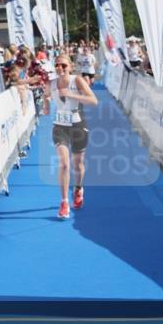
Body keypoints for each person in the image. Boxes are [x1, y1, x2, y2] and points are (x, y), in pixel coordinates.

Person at [50, 55, 98, 220]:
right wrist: (45, 103)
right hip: (60, 127)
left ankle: (78, 188)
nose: (60, 68)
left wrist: (72, 95)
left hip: (78, 126)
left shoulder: (77, 80)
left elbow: (93, 100)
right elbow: (46, 98)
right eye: (57, 65)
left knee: (78, 165)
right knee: (64, 163)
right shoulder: (51, 83)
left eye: (63, 65)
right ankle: (64, 202)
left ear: (69, 66)